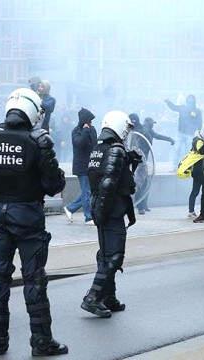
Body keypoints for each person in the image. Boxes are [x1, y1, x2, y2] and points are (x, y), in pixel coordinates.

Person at [0, 88, 67, 356]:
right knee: (34, 280)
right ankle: (41, 341)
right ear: (31, 111)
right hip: (27, 217)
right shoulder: (38, 141)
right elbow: (54, 185)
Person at [81, 111, 137, 318]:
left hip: (102, 206)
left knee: (105, 253)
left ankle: (108, 297)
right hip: (111, 208)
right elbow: (109, 182)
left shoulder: (99, 148)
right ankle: (93, 297)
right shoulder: (115, 149)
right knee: (114, 255)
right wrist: (104, 211)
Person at [64, 108, 97, 224]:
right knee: (86, 191)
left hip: (91, 165)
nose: (91, 124)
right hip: (81, 166)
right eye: (89, 121)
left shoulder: (92, 130)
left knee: (87, 192)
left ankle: (70, 208)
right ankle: (88, 217)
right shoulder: (76, 131)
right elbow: (79, 144)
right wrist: (85, 131)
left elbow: (95, 145)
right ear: (84, 121)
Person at [165, 95, 202, 159]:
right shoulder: (182, 108)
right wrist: (168, 102)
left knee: (188, 150)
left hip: (190, 134)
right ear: (187, 101)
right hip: (180, 133)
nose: (190, 103)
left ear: (194, 102)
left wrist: (198, 131)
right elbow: (174, 107)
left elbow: (200, 122)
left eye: (192, 102)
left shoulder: (197, 111)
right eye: (189, 102)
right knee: (177, 150)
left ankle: (187, 165)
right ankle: (175, 166)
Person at [187, 124, 204, 218]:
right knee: (196, 191)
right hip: (198, 170)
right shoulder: (197, 141)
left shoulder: (202, 140)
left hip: (203, 170)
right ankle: (191, 211)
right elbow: (201, 152)